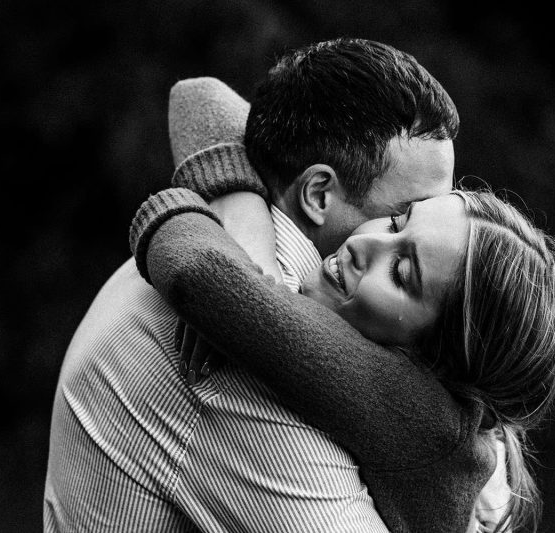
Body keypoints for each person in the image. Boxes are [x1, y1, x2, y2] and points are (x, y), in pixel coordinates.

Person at [45, 38, 463, 532]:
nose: (439, 223)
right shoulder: (242, 357)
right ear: (318, 194)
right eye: (402, 216)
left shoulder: (242, 243)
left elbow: (205, 101)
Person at [128, 183, 555, 532]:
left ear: (435, 366)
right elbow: (205, 99)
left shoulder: (405, 408)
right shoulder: (465, 443)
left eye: (401, 272)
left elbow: (196, 272)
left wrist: (185, 212)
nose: (367, 242)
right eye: (398, 222)